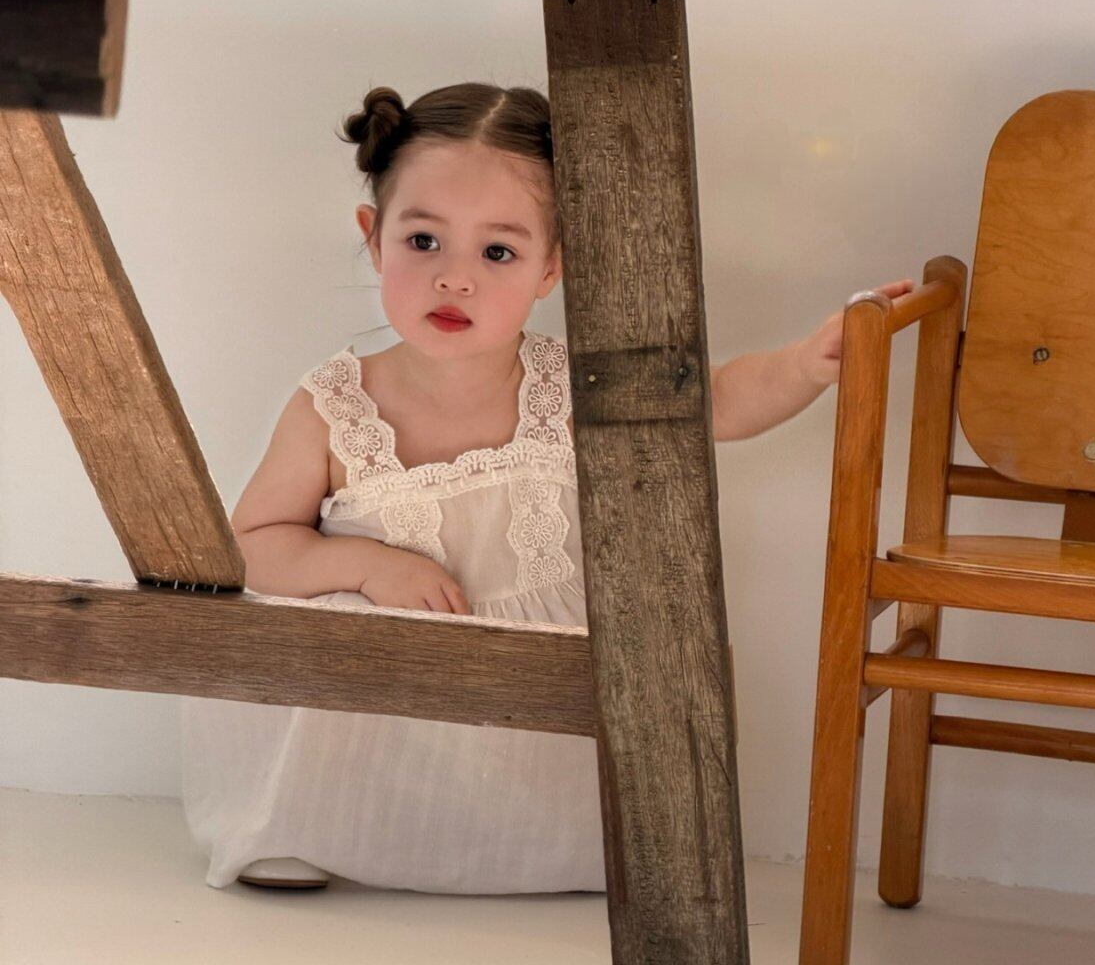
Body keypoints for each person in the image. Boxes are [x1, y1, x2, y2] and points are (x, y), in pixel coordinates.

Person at [179, 82, 913, 893]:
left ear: (550, 268)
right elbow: (251, 545)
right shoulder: (334, 404)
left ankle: (537, 842)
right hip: (385, 697)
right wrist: (366, 564)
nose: (454, 278)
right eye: (423, 240)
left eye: (497, 253)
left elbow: (717, 399)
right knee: (338, 631)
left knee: (626, 671)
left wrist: (807, 362)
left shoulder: (572, 384)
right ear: (373, 237)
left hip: (526, 701)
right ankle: (316, 824)